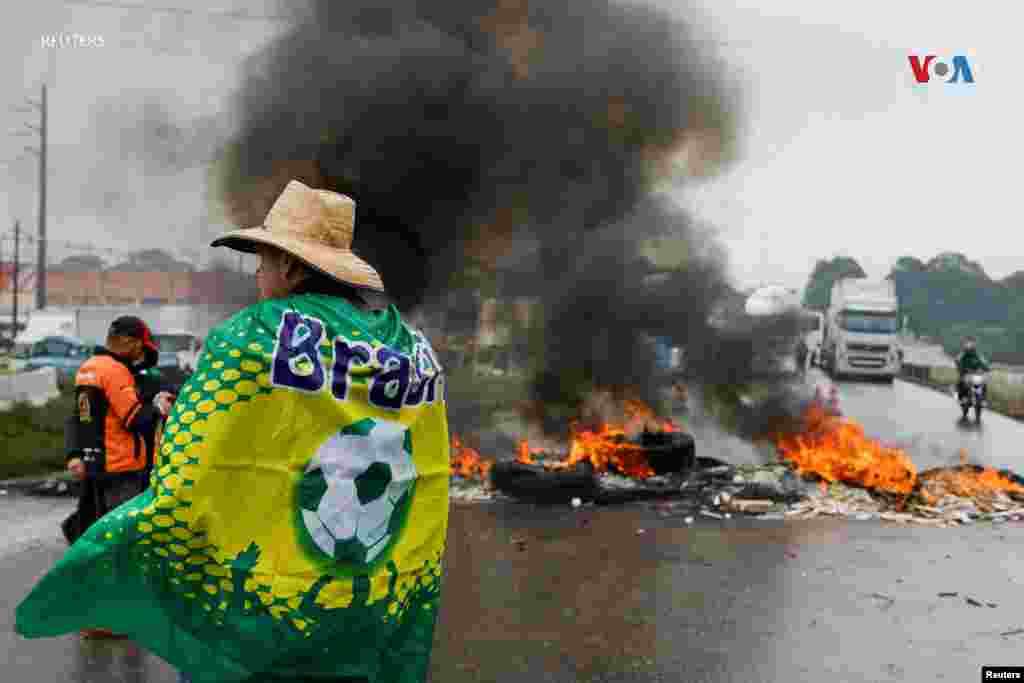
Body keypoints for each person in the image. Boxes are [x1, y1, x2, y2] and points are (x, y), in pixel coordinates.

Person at [63, 315, 175, 639]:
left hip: (97, 467)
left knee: (101, 539)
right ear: (128, 341)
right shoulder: (115, 371)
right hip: (121, 468)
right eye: (140, 348)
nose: (140, 355)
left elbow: (80, 418)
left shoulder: (89, 368)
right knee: (121, 544)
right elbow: (135, 419)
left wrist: (75, 454)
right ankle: (109, 617)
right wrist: (158, 406)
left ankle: (98, 612)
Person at [955, 336, 991, 403]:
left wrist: (987, 368)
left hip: (975, 373)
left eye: (972, 343)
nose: (970, 345)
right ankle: (960, 396)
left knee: (983, 383)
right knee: (961, 381)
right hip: (965, 372)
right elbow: (957, 360)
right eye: (968, 343)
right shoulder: (963, 354)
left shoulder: (977, 354)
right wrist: (960, 367)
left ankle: (983, 399)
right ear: (965, 344)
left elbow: (983, 361)